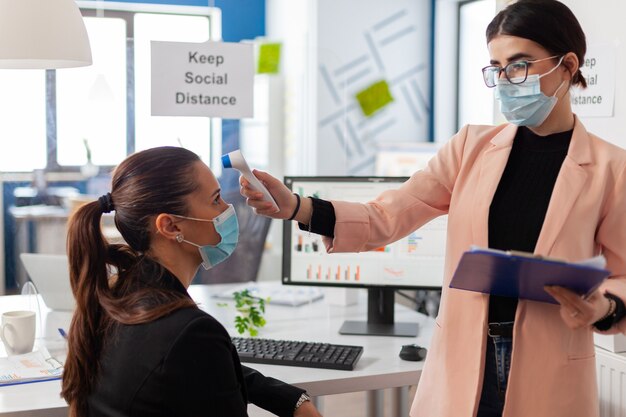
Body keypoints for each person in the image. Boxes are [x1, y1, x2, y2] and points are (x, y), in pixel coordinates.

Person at [240, 1, 626, 416]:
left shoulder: (612, 169)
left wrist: (603, 306)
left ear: (567, 66)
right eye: (497, 68)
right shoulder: (471, 147)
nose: (506, 80)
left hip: (550, 366)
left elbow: (622, 274)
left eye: (519, 65)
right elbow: (387, 216)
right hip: (463, 356)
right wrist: (297, 207)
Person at [61, 146, 322, 417]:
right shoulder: (191, 332)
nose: (228, 209)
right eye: (216, 199)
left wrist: (290, 399)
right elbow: (194, 354)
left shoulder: (119, 300)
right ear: (171, 226)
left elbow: (195, 366)